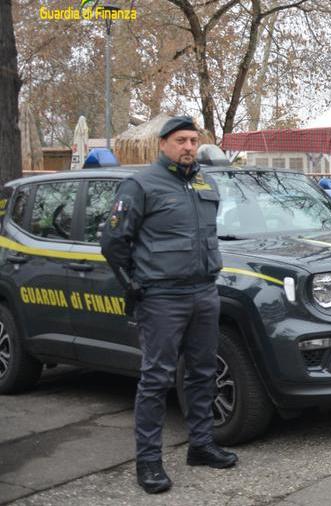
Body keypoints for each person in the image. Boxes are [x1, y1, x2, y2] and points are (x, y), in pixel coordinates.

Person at [100, 116, 237, 495]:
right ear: (163, 144)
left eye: (193, 140)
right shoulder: (141, 184)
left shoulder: (204, 182)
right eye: (181, 140)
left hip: (204, 293)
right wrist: (134, 285)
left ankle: (201, 445)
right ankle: (149, 462)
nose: (189, 146)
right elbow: (113, 242)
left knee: (203, 373)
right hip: (161, 298)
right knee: (156, 379)